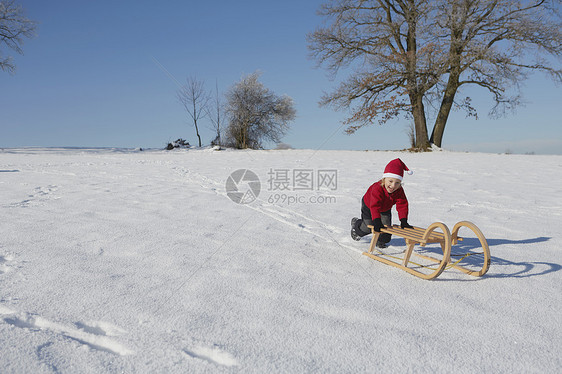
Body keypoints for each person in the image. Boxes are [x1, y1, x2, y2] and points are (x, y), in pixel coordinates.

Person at [351, 158, 414, 248]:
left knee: (386, 229)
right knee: (369, 226)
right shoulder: (377, 188)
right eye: (390, 181)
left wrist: (403, 221)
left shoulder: (399, 190)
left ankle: (380, 241)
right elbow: (374, 206)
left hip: (385, 208)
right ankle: (356, 226)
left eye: (397, 183)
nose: (393, 186)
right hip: (369, 206)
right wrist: (376, 220)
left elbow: (402, 204)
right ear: (384, 179)